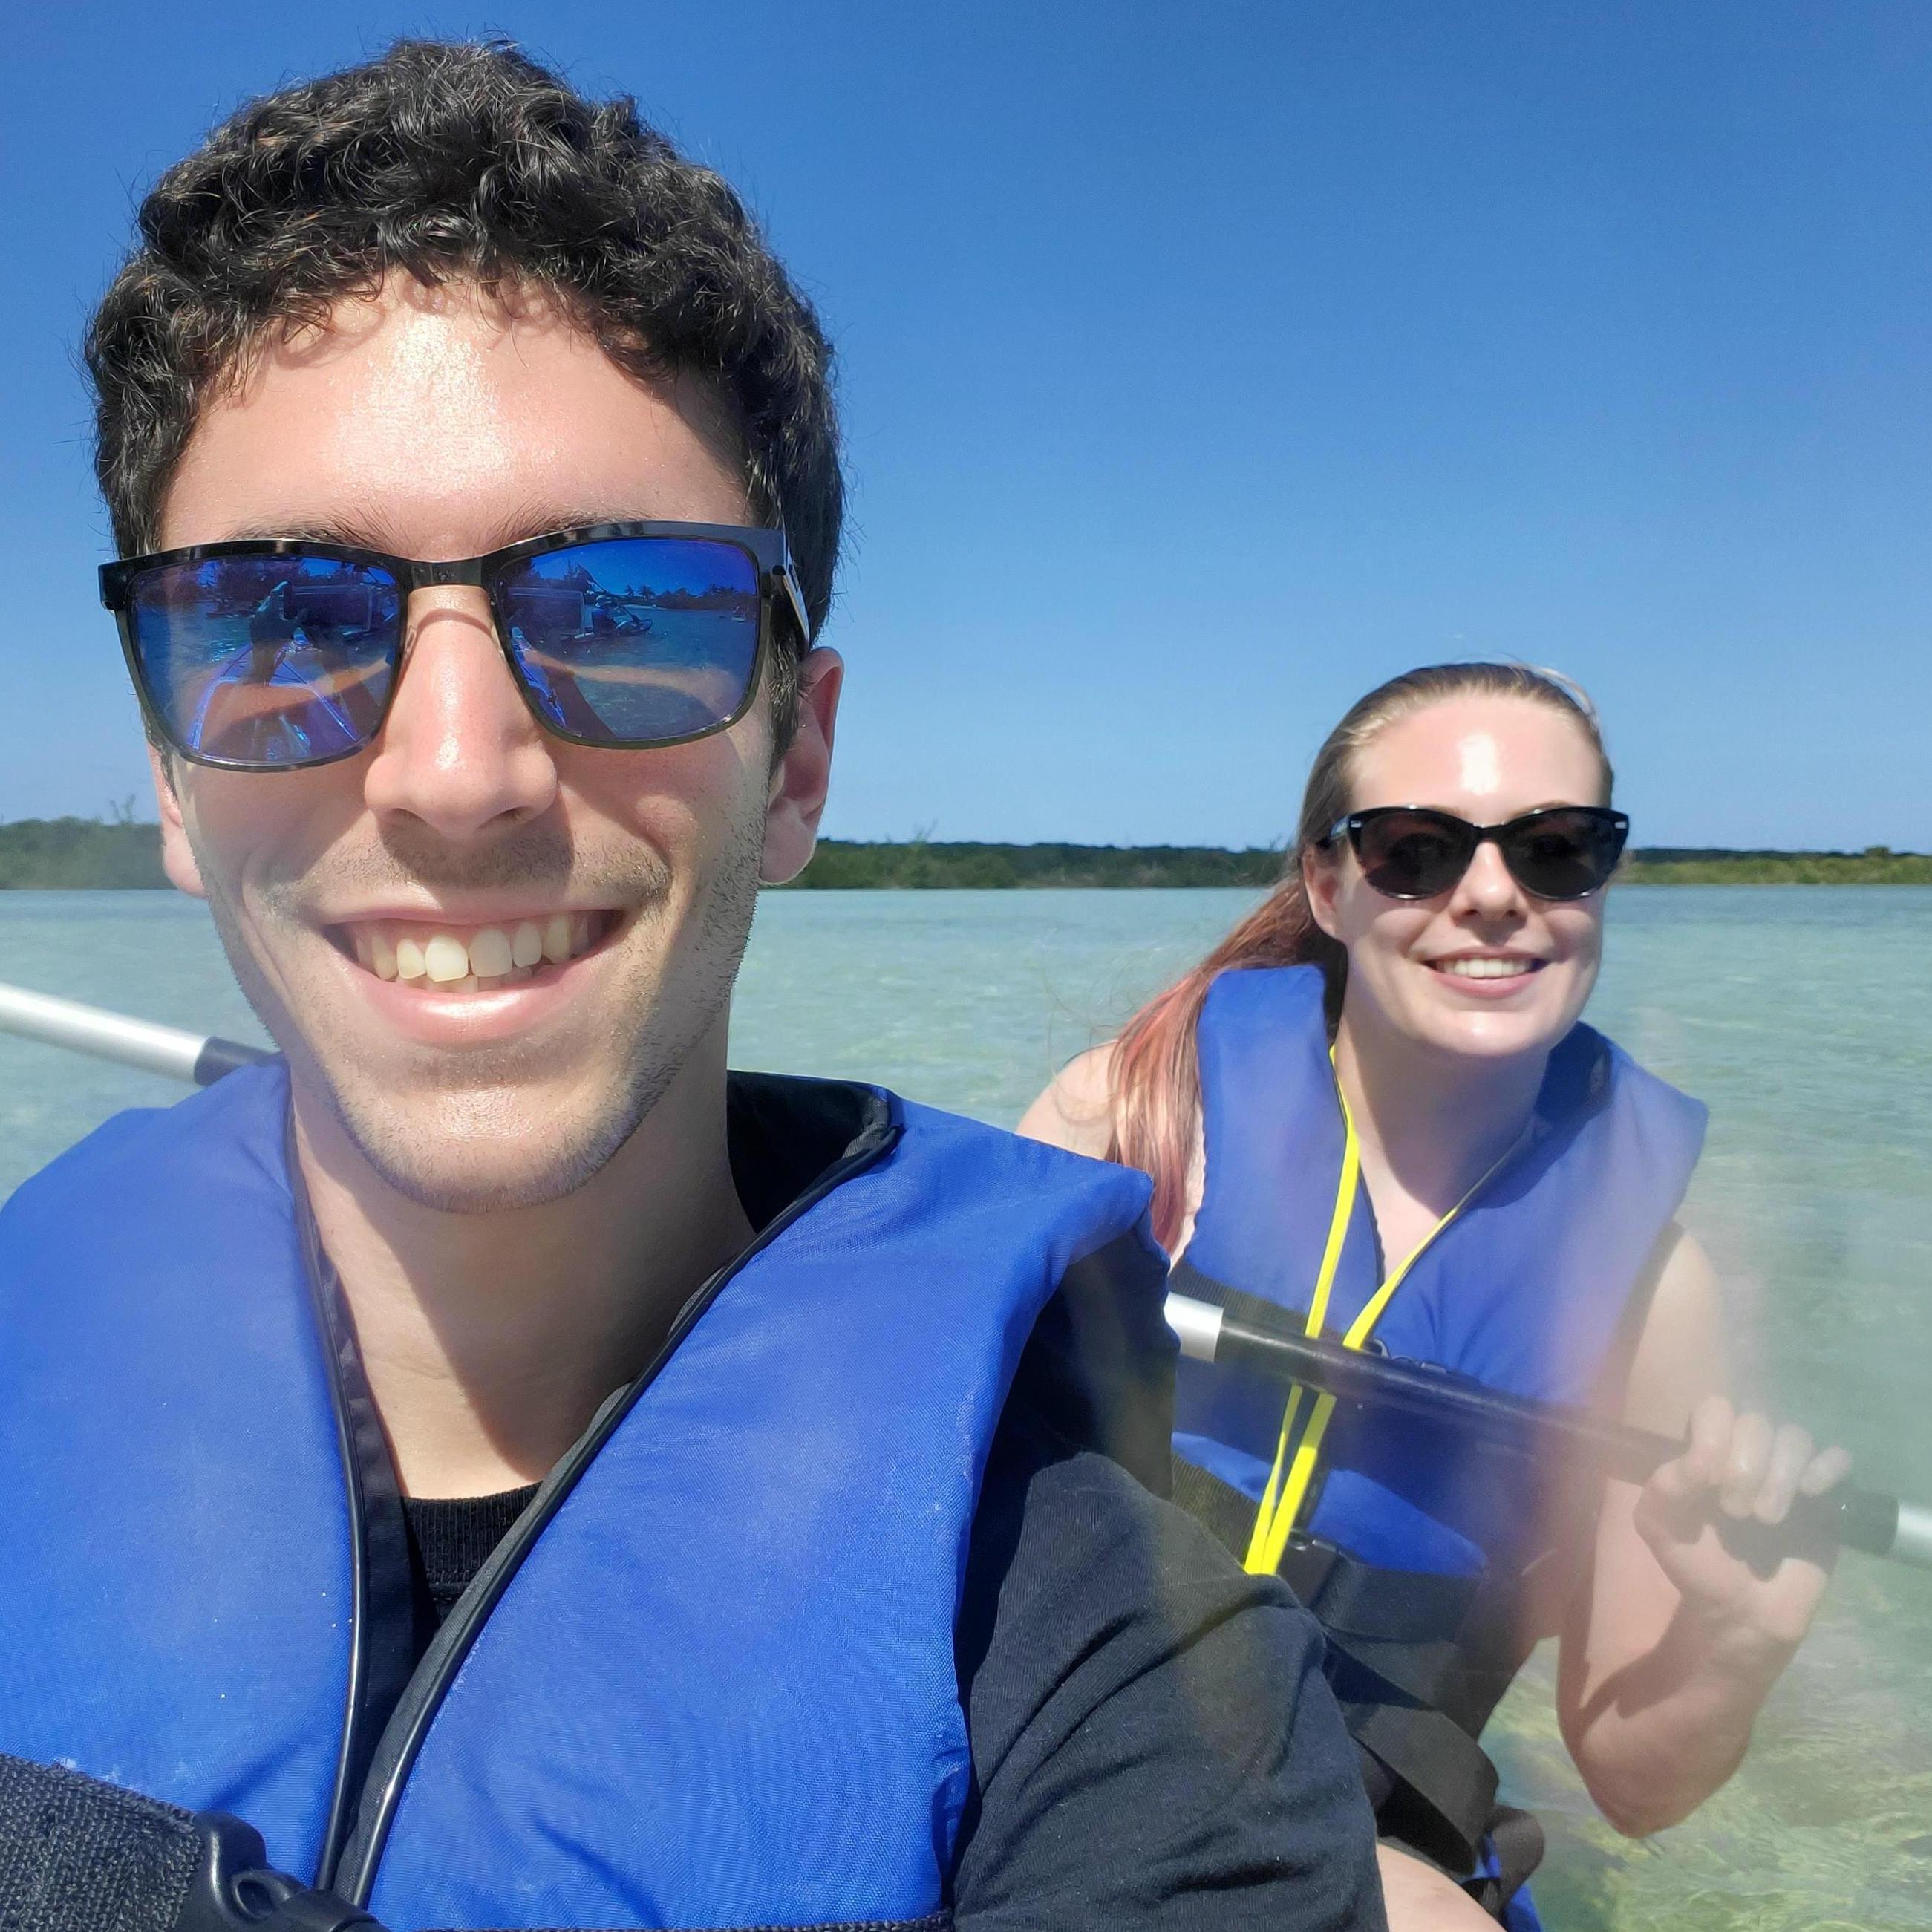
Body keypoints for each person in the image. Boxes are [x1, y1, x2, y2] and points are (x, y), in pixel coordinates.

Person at [0, 42, 1386, 1932]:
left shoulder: (1111, 1677)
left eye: (625, 611)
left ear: (796, 764)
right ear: (171, 772)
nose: (452, 771)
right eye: (285, 621)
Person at [1021, 662, 1850, 1930]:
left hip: (1364, 1820)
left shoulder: (1651, 1292)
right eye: (1414, 851)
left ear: (1601, 879)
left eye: (1555, 848)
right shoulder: (1131, 1120)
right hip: (1063, 1736)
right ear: (1326, 884)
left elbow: (1633, 1782)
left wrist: (1735, 1639)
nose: (1490, 896)